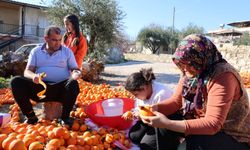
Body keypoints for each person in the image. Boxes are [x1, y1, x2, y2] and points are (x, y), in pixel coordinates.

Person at [140, 34, 250, 150]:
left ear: (201, 57)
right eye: (181, 64)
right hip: (198, 120)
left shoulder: (223, 76)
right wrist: (153, 109)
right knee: (156, 132)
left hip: (229, 133)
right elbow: (176, 102)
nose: (185, 69)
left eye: (190, 64)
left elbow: (213, 124)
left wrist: (167, 123)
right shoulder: (190, 70)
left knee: (197, 141)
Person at [10, 26, 81, 126]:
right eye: (54, 40)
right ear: (46, 38)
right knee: (16, 82)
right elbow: (27, 71)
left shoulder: (67, 52)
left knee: (73, 83)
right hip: (40, 89)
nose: (58, 43)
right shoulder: (36, 51)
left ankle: (65, 118)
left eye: (60, 40)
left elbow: (75, 69)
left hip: (61, 90)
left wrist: (76, 74)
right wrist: (34, 76)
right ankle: (31, 117)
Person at [123, 68, 181, 150]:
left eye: (136, 94)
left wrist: (141, 116)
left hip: (164, 125)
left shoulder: (161, 94)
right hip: (148, 120)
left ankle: (174, 140)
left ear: (143, 88)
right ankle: (148, 135)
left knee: (146, 146)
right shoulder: (142, 94)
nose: (135, 97)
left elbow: (160, 118)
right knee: (133, 136)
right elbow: (139, 108)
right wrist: (135, 113)